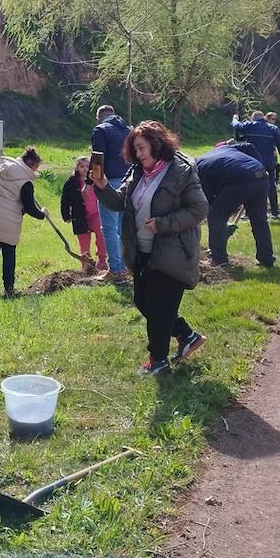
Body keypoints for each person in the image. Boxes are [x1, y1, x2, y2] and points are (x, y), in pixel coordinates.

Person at [92, 121, 208, 376]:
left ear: (157, 144)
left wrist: (164, 224)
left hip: (173, 251)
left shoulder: (181, 171)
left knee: (157, 306)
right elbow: (121, 201)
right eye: (135, 149)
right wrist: (101, 185)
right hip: (143, 251)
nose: (139, 153)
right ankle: (187, 336)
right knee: (143, 300)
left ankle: (158, 361)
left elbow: (199, 210)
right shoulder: (137, 173)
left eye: (142, 148)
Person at [0, 146, 46, 298]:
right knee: (9, 255)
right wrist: (42, 214)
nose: (35, 171)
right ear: (30, 164)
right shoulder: (26, 183)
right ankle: (9, 290)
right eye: (35, 167)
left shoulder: (3, 165)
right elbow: (30, 208)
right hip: (8, 220)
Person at [196, 141, 274, 268]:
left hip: (242, 179)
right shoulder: (220, 150)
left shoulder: (198, 169)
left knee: (216, 216)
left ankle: (219, 260)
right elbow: (248, 146)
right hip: (260, 174)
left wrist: (218, 212)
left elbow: (208, 198)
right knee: (259, 221)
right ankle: (267, 259)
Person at [91, 105, 134, 283]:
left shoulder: (100, 130)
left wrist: (96, 181)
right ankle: (127, 266)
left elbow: (97, 159)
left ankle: (116, 271)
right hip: (131, 182)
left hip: (110, 182)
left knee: (108, 228)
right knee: (123, 228)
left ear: (98, 118)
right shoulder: (129, 130)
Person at [231, 110, 280, 219]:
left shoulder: (249, 126)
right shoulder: (273, 128)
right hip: (268, 162)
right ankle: (275, 212)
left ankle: (247, 213)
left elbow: (236, 125)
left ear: (253, 118)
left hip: (253, 163)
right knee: (271, 186)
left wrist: (235, 118)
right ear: (263, 118)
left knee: (249, 186)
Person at [61, 156, 108, 272]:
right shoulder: (71, 182)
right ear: (76, 167)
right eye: (81, 166)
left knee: (101, 236)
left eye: (87, 166)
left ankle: (102, 261)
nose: (85, 169)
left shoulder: (94, 179)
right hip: (80, 216)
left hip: (96, 214)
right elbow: (65, 199)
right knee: (84, 241)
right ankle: (87, 264)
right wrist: (66, 215)